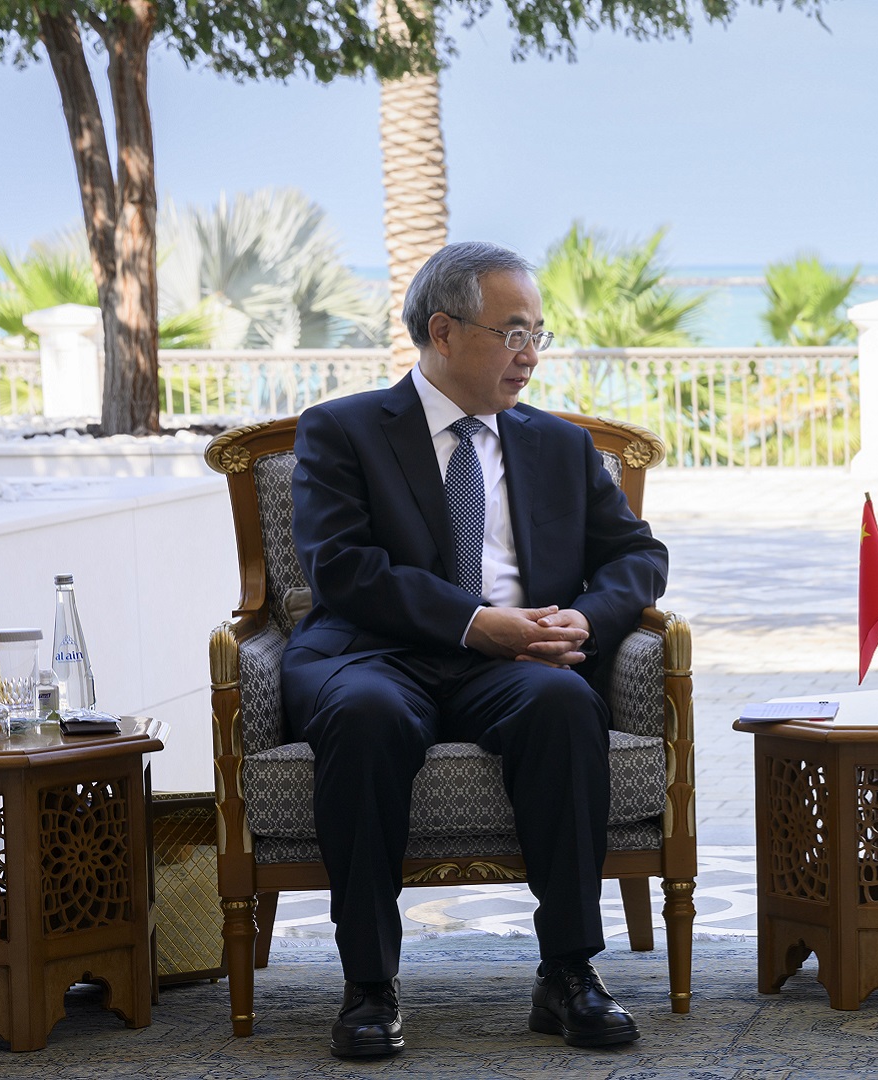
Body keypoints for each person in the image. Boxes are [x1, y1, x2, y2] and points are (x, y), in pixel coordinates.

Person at [282, 241, 668, 1059]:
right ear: (444, 331)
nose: (529, 354)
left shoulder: (559, 446)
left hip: (519, 664)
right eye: (513, 332)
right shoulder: (341, 430)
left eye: (539, 335)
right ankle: (369, 984)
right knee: (364, 716)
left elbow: (638, 555)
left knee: (566, 704)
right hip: (374, 655)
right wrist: (472, 621)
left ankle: (567, 973)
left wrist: (587, 620)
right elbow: (343, 567)